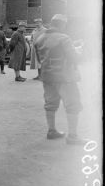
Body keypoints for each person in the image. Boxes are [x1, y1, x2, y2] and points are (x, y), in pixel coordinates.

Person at [34, 14, 86, 145]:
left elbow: (42, 58)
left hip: (47, 76)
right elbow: (74, 58)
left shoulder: (40, 38)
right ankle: (73, 136)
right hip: (65, 77)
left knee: (50, 104)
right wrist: (80, 50)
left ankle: (51, 130)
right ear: (62, 25)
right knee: (73, 104)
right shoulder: (64, 38)